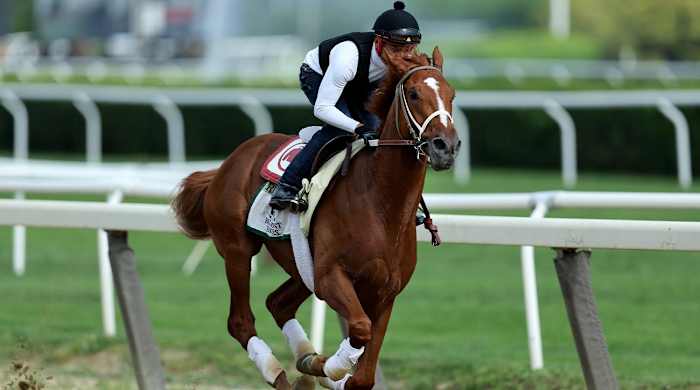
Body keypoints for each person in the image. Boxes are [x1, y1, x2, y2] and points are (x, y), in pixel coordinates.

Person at [269, 1, 422, 211]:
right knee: (339, 129)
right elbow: (323, 109)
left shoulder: (406, 58)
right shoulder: (348, 57)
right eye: (396, 49)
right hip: (319, 75)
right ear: (379, 42)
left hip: (360, 84)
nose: (404, 56)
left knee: (382, 134)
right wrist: (358, 127)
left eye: (410, 49)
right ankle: (287, 186)